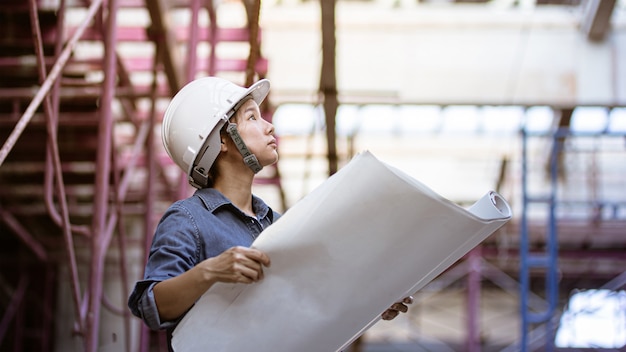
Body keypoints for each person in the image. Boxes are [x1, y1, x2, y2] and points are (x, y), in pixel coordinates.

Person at [127, 77, 411, 350]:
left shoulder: (278, 224)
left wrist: (372, 303)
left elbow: (311, 301)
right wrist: (211, 271)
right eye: (252, 118)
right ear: (222, 141)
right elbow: (151, 305)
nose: (269, 127)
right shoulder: (188, 219)